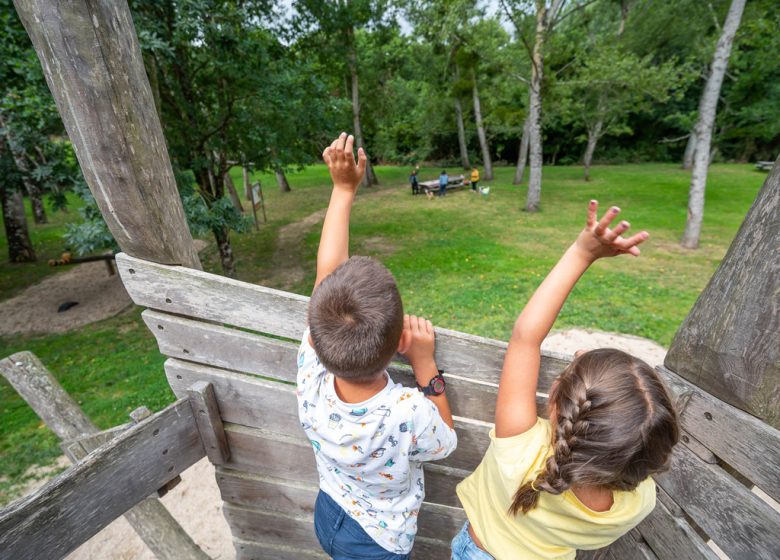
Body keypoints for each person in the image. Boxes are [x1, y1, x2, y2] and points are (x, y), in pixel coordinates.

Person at [453, 201, 679, 560]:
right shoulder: (637, 503)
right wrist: (586, 380)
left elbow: (525, 337)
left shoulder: (521, 453)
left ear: (559, 407)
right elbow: (623, 437)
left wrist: (582, 252)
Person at [298, 132, 458, 560]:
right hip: (378, 543)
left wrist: (342, 189)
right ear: (398, 345)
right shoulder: (407, 410)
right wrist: (425, 364)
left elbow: (325, 275)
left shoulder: (312, 369)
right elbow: (445, 442)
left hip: (328, 510)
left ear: (315, 336)